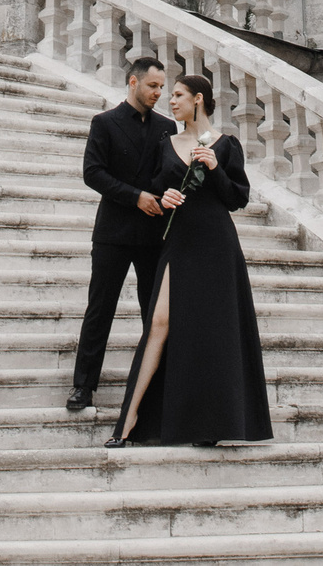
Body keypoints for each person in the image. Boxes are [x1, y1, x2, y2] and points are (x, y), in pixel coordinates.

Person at [107, 71, 272, 448]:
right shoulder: (166, 143)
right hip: (179, 240)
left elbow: (237, 199)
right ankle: (129, 420)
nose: (171, 100)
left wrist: (214, 168)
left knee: (213, 330)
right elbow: (153, 188)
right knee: (160, 321)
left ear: (198, 99)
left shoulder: (226, 144)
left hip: (216, 243)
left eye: (179, 94)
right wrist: (163, 198)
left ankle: (209, 425)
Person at [68, 56, 177, 414]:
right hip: (113, 231)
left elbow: (169, 173)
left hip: (153, 231)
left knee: (154, 313)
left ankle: (158, 389)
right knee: (100, 310)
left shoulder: (167, 127)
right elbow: (92, 173)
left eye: (162, 87)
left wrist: (167, 194)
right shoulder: (105, 123)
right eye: (152, 86)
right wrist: (135, 196)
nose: (158, 93)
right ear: (133, 82)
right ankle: (83, 386)